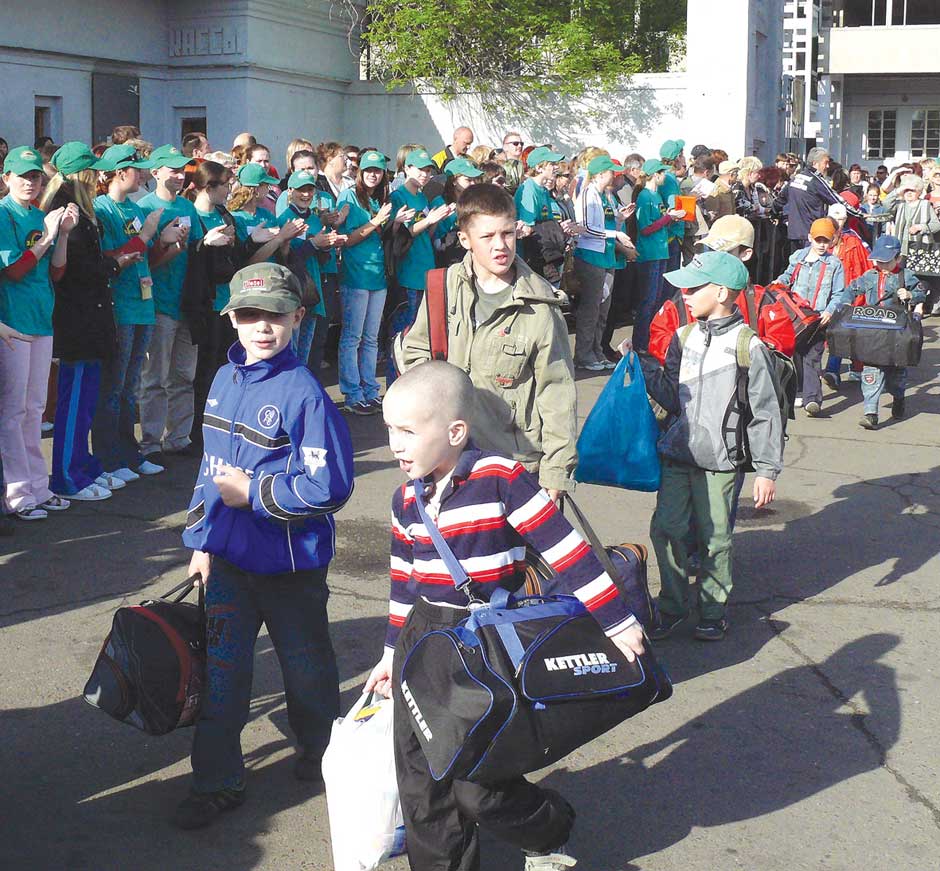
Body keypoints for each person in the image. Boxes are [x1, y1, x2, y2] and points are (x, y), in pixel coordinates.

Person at [365, 360, 644, 871]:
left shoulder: (501, 478)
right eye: (389, 430)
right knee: (420, 777)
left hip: (481, 643)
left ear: (455, 431)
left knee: (477, 781)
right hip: (422, 638)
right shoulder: (406, 497)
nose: (395, 445)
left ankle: (548, 826)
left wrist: (617, 622)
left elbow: (567, 552)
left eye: (407, 431)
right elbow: (402, 582)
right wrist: (389, 653)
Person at [176, 262, 354, 830]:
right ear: (231, 319)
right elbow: (209, 469)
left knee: (306, 669)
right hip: (228, 559)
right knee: (223, 676)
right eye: (249, 314)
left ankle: (323, 750)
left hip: (290, 566)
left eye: (275, 314)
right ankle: (216, 781)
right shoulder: (224, 379)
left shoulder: (306, 394)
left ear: (298, 318)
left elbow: (331, 485)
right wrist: (200, 540)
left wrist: (252, 491)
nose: (262, 326)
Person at [630, 251, 784, 642]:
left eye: (694, 287)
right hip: (678, 453)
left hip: (720, 461)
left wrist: (766, 470)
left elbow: (765, 412)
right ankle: (672, 606)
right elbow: (670, 395)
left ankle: (712, 610)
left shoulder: (748, 345)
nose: (684, 293)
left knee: (716, 539)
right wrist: (642, 369)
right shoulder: (684, 337)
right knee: (666, 529)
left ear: (721, 292)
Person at [396, 183, 579, 502]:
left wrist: (556, 471)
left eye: (507, 233)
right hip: (447, 462)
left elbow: (557, 391)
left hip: (514, 468)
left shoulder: (539, 303)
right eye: (488, 236)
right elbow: (416, 356)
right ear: (465, 239)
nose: (501, 246)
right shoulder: (443, 287)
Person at [42, 143, 126, 501]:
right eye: (94, 171)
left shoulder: (82, 209)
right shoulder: (66, 210)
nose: (101, 177)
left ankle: (82, 465)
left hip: (88, 318)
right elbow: (74, 271)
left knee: (86, 399)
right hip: (76, 320)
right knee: (73, 402)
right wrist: (114, 264)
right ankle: (66, 475)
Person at [0, 146, 74, 520]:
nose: (30, 182)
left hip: (41, 319)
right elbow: (13, 271)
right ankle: (16, 493)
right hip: (13, 323)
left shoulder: (38, 215)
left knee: (34, 408)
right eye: (23, 176)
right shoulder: (3, 214)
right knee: (13, 411)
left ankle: (37, 487)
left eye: (35, 176)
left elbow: (56, 273)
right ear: (6, 179)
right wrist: (46, 236)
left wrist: (61, 234)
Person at [137, 145, 220, 464]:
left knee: (184, 374)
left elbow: (196, 251)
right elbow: (144, 261)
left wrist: (204, 243)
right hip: (158, 303)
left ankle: (178, 436)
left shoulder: (188, 207)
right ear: (155, 172)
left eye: (180, 169)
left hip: (189, 304)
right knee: (155, 375)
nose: (177, 174)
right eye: (170, 169)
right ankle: (150, 440)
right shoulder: (145, 207)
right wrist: (165, 242)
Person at [92, 143, 168, 480]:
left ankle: (129, 452)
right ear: (121, 172)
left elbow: (146, 257)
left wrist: (165, 240)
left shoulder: (135, 209)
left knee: (131, 385)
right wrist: (149, 233)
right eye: (138, 169)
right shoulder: (102, 209)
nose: (143, 175)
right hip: (120, 306)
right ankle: (110, 457)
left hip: (143, 304)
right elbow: (108, 259)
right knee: (114, 385)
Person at [845, 235, 926, 429]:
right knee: (871, 372)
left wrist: (910, 295)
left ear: (898, 258)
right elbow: (852, 289)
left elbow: (922, 292)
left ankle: (898, 397)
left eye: (886, 261)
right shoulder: (869, 276)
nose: (881, 264)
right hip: (873, 331)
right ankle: (870, 412)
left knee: (896, 374)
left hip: (897, 333)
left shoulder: (905, 276)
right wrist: (846, 302)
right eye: (878, 260)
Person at [336, 150, 394, 415]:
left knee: (371, 338)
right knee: (352, 337)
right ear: (360, 171)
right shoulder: (348, 196)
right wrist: (375, 222)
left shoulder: (381, 197)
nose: (373, 174)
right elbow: (345, 239)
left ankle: (370, 390)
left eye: (378, 170)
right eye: (369, 169)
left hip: (378, 275)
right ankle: (352, 393)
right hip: (356, 275)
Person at [774, 217, 847, 416]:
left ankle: (812, 399)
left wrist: (830, 311)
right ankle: (798, 390)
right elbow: (788, 276)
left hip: (817, 318)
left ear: (832, 241)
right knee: (795, 354)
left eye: (826, 240)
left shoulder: (835, 264)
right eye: (818, 240)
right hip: (796, 316)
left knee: (813, 357)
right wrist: (778, 283)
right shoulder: (798, 257)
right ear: (809, 238)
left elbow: (839, 293)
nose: (822, 245)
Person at [276, 168, 346, 369]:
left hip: (313, 289)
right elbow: (285, 259)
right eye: (301, 189)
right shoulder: (285, 219)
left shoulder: (315, 219)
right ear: (290, 191)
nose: (306, 194)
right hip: (294, 290)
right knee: (293, 349)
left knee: (306, 350)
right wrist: (313, 244)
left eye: (309, 189)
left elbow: (320, 258)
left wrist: (328, 244)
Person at [573, 155, 634, 371]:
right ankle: (583, 355)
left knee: (602, 310)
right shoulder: (588, 194)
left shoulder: (606, 195)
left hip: (606, 256)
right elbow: (586, 228)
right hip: (591, 256)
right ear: (600, 174)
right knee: (591, 309)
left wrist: (619, 219)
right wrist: (615, 235)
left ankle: (597, 351)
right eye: (611, 172)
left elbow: (605, 222)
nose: (615, 175)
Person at [389, 148, 454, 338]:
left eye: (428, 170)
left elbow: (427, 233)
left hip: (425, 267)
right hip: (409, 270)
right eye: (420, 169)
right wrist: (428, 220)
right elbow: (402, 235)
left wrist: (437, 219)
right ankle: (395, 367)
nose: (425, 175)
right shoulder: (398, 196)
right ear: (407, 169)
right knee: (405, 327)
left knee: (420, 327)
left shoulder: (423, 197)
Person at [633, 157, 686, 351]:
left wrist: (671, 217)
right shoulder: (645, 197)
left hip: (661, 251)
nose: (665, 176)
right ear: (655, 175)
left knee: (656, 300)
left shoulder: (656, 196)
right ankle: (640, 343)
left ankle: (651, 340)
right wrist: (668, 218)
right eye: (662, 173)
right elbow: (645, 228)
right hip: (649, 253)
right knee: (647, 302)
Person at [774, 147, 845, 255]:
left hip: (794, 233)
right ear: (815, 163)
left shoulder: (796, 177)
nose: (827, 166)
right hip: (812, 233)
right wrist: (860, 214)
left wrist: (771, 213)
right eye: (825, 162)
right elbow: (837, 201)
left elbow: (779, 201)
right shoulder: (817, 181)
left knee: (796, 266)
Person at [431, 157, 483, 268]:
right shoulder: (440, 202)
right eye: (468, 180)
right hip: (448, 259)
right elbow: (434, 235)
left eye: (474, 179)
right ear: (454, 181)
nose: (473, 183)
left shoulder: (474, 201)